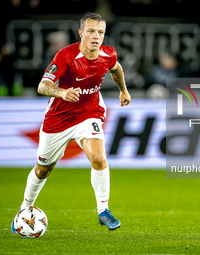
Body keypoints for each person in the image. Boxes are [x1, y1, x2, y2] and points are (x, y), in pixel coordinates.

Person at [11, 12, 131, 232]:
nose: (96, 36)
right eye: (91, 31)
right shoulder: (65, 56)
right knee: (43, 169)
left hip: (89, 112)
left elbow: (116, 69)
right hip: (59, 118)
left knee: (98, 157)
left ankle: (103, 210)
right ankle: (24, 208)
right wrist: (61, 92)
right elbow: (42, 86)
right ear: (81, 33)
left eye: (101, 32)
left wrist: (123, 90)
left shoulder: (108, 54)